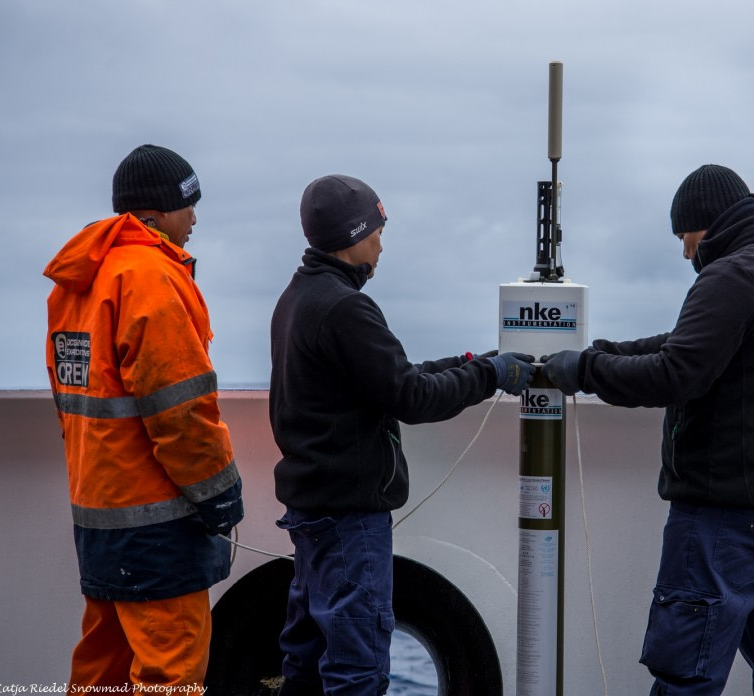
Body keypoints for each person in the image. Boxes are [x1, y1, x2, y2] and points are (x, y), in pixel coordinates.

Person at [543, 164, 754, 695]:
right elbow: (687, 341)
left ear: (709, 223)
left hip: (727, 522)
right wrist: (602, 353)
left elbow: (677, 372)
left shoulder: (733, 274)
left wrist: (580, 372)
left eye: (685, 236)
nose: (684, 253)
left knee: (686, 676)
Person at [269, 174, 535, 695]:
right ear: (354, 234)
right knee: (357, 668)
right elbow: (412, 397)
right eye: (377, 231)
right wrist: (492, 375)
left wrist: (472, 362)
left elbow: (392, 378)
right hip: (349, 519)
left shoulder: (299, 297)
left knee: (305, 660)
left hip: (312, 513)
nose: (382, 244)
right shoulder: (346, 308)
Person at [44, 144, 244, 689]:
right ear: (152, 216)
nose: (196, 218)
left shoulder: (78, 282)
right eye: (189, 206)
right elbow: (180, 410)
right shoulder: (151, 279)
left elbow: (75, 400)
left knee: (101, 669)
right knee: (170, 672)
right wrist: (218, 493)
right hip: (157, 526)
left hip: (98, 515)